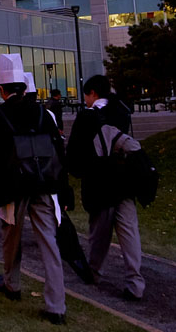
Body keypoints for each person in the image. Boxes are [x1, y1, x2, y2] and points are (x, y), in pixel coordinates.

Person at [0, 54, 71, 325]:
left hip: (13, 186)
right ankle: (56, 305)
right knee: (49, 242)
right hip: (44, 183)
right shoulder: (44, 113)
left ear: (2, 90)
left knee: (11, 238)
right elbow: (58, 154)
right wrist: (64, 193)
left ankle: (12, 284)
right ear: (25, 86)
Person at [66, 74, 145, 302]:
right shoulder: (121, 111)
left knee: (99, 233)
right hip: (125, 180)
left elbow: (75, 153)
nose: (85, 100)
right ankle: (135, 282)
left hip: (99, 182)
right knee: (129, 232)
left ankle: (94, 271)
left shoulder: (87, 117)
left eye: (86, 95)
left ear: (93, 93)